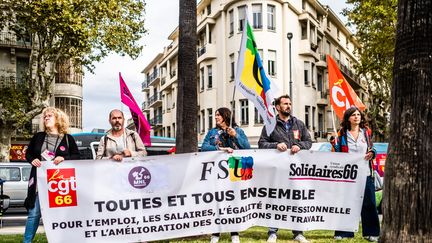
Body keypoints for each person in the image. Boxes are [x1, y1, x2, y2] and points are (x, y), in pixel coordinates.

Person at [258, 95, 312, 243]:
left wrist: (299, 146)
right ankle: (272, 232)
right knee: (276, 199)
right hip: (277, 170)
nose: (288, 106)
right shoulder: (270, 124)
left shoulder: (299, 124)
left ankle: (298, 233)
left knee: (295, 199)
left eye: (289, 103)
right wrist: (275, 145)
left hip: (296, 171)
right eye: (285, 104)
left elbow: (308, 142)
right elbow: (261, 143)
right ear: (277, 107)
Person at [23, 107, 80, 243]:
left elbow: (77, 156)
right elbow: (29, 154)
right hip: (39, 183)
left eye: (49, 116)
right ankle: (27, 241)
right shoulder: (38, 137)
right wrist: (32, 159)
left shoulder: (68, 139)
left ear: (58, 119)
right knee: (34, 214)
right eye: (45, 116)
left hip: (59, 185)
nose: (46, 118)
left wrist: (64, 159)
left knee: (60, 216)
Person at [201, 107, 251, 243]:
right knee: (217, 201)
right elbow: (204, 147)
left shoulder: (238, 130)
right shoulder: (212, 132)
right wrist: (219, 149)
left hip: (234, 168)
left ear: (225, 116)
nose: (216, 117)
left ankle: (234, 233)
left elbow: (247, 147)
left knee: (233, 202)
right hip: (217, 172)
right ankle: (215, 233)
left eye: (218, 115)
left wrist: (235, 136)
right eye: (215, 115)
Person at [331, 107, 380, 242]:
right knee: (346, 204)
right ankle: (343, 233)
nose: (356, 117)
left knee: (369, 203)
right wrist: (334, 145)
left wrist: (372, 153)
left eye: (358, 114)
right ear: (348, 118)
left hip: (365, 174)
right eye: (353, 115)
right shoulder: (341, 134)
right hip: (348, 175)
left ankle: (372, 233)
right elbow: (337, 152)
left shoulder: (366, 132)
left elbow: (372, 147)